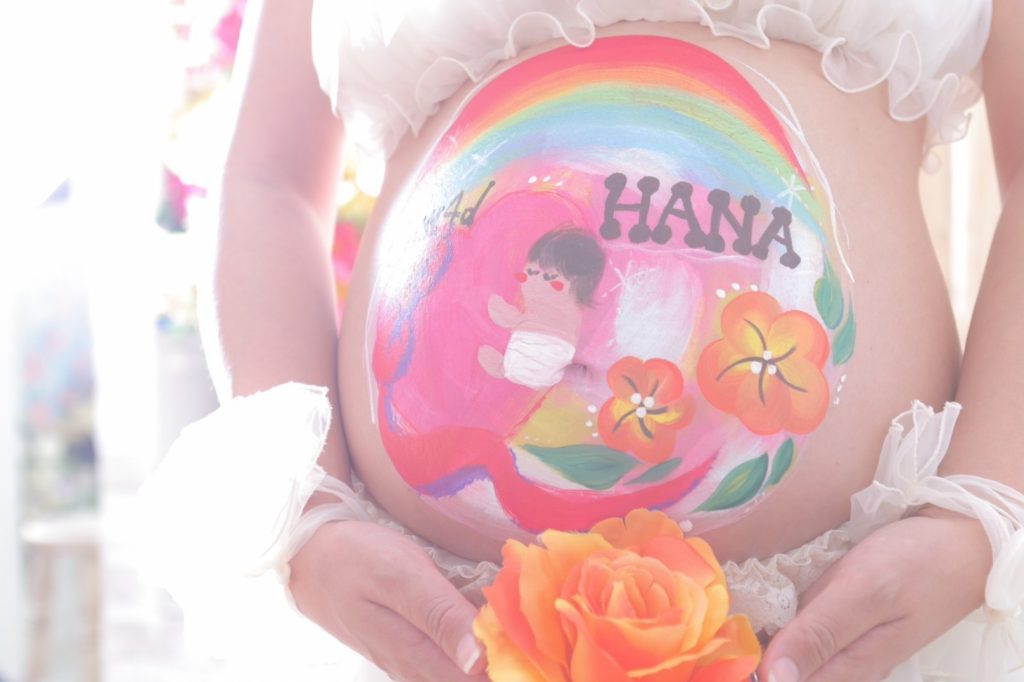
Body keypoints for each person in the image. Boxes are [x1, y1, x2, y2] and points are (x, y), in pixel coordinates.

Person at [160, 1, 1024, 681]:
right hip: (437, 625)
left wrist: (979, 514)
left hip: (845, 617)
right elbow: (267, 181)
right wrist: (307, 513)